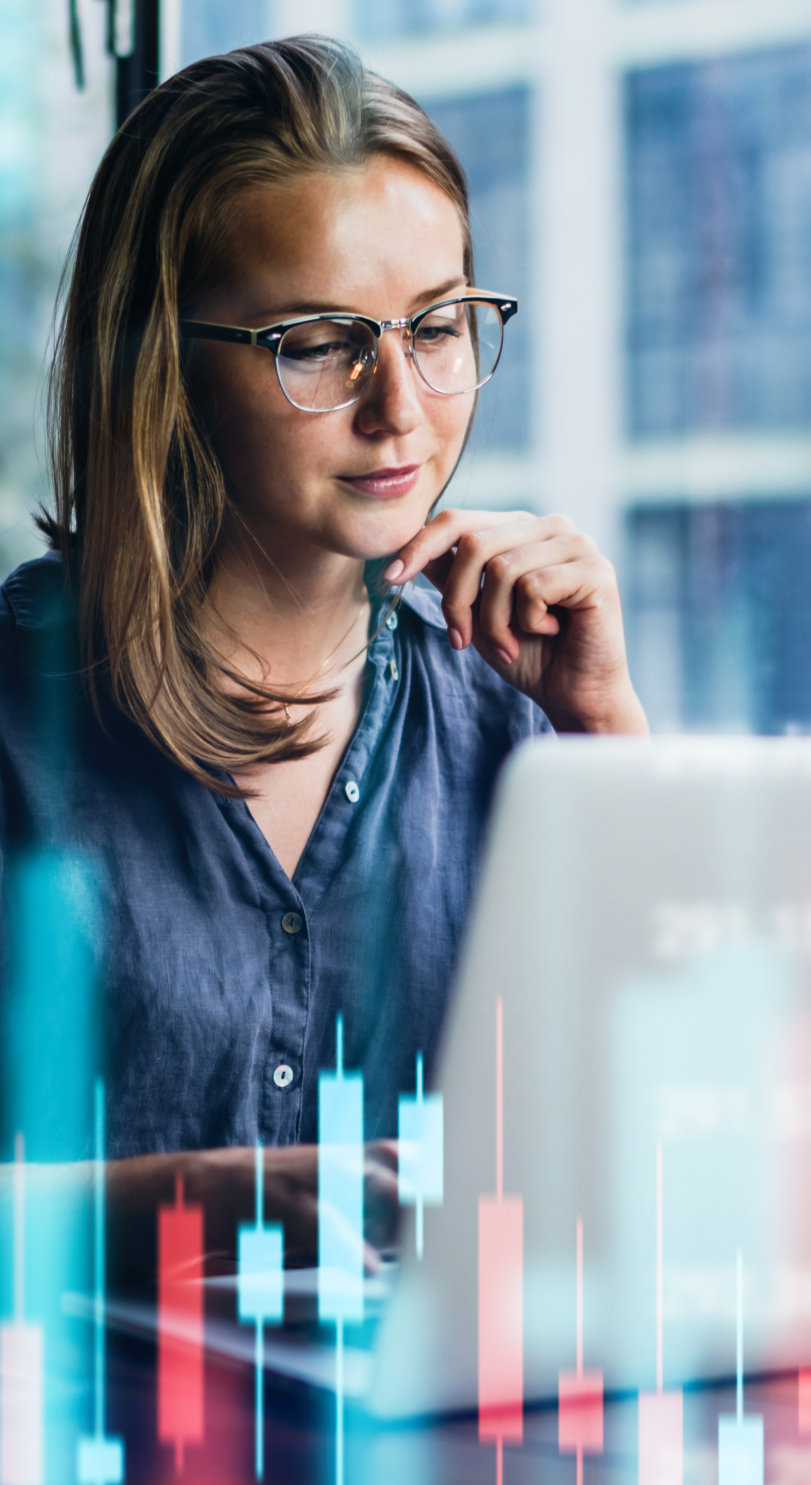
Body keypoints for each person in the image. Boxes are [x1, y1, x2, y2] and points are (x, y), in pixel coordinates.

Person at [0, 36, 647, 1202]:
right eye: (318, 345)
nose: (400, 407)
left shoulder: (515, 713)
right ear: (159, 362)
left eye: (436, 328)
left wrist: (607, 733)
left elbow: (672, 1139)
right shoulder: (17, 718)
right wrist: (182, 1202)